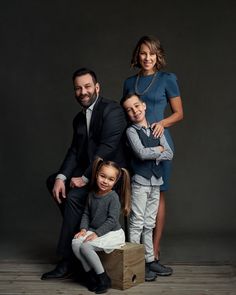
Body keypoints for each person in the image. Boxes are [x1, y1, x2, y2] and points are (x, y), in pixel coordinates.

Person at [41, 68, 128, 280]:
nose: (83, 91)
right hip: (90, 173)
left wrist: (87, 177)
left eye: (87, 86)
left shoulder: (112, 111)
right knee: (53, 181)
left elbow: (106, 148)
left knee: (73, 198)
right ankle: (81, 231)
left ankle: (67, 260)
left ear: (97, 87)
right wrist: (62, 177)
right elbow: (74, 150)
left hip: (109, 176)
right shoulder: (78, 119)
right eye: (78, 88)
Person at [123, 35, 183, 275]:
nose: (147, 58)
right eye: (143, 53)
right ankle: (135, 256)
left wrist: (162, 123)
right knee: (137, 198)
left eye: (152, 53)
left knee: (157, 196)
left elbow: (179, 113)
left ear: (158, 56)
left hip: (160, 142)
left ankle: (154, 253)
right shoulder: (129, 82)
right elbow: (126, 112)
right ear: (137, 56)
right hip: (136, 144)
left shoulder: (168, 79)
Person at [121, 93, 173, 281]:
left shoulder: (156, 129)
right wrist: (157, 150)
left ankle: (150, 260)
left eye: (136, 106)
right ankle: (137, 261)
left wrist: (159, 151)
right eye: (129, 109)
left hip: (155, 182)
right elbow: (141, 154)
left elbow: (169, 153)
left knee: (150, 222)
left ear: (143, 106)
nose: (134, 111)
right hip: (140, 182)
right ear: (127, 114)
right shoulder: (131, 132)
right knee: (137, 222)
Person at [72, 157, 131, 293]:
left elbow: (111, 221)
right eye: (102, 176)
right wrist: (83, 229)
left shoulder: (113, 197)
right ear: (97, 174)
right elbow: (86, 213)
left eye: (110, 179)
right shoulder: (91, 194)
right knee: (76, 243)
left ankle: (103, 278)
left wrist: (96, 234)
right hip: (94, 230)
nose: (105, 181)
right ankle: (90, 276)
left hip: (112, 233)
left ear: (115, 182)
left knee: (86, 246)